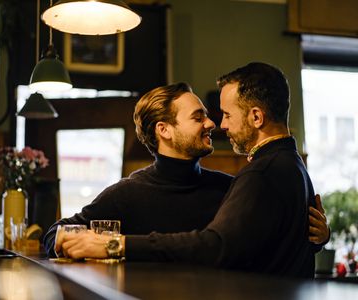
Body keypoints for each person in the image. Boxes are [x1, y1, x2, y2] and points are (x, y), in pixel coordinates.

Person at [57, 63, 325, 278]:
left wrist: (313, 237)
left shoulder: (238, 183)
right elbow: (59, 232)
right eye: (199, 117)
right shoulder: (127, 193)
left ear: (256, 117)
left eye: (224, 115)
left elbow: (219, 246)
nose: (215, 124)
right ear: (164, 130)